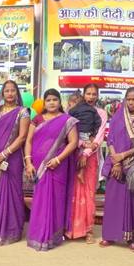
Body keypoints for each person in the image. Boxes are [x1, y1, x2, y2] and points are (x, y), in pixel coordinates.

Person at [25, 89, 79, 251]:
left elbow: (73, 143)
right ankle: (38, 235)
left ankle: (52, 236)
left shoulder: (67, 120)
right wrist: (28, 162)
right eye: (48, 100)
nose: (52, 103)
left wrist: (58, 159)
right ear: (44, 103)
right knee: (40, 200)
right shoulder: (37, 119)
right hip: (38, 166)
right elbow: (28, 141)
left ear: (60, 102)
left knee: (56, 199)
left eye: (55, 99)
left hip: (57, 166)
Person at [99, 87, 134, 251]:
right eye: (128, 99)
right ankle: (109, 235)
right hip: (115, 165)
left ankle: (130, 238)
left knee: (131, 202)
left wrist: (123, 156)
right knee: (112, 201)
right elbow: (110, 140)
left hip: (132, 165)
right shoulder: (117, 117)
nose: (131, 102)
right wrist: (116, 162)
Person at [0, 80, 30, 245]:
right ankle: (1, 226)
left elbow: (22, 137)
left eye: (13, 90)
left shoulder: (23, 112)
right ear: (2, 93)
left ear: (17, 93)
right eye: (7, 91)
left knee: (13, 192)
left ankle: (13, 230)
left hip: (12, 158)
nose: (10, 93)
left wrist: (5, 153)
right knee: (0, 192)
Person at [66, 83, 107, 244]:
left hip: (91, 157)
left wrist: (86, 153)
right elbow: (69, 132)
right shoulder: (74, 110)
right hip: (73, 153)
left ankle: (88, 230)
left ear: (98, 96)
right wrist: (81, 146)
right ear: (83, 94)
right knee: (72, 192)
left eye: (94, 94)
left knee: (88, 192)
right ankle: (70, 229)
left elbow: (99, 136)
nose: (91, 97)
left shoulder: (101, 113)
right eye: (88, 93)